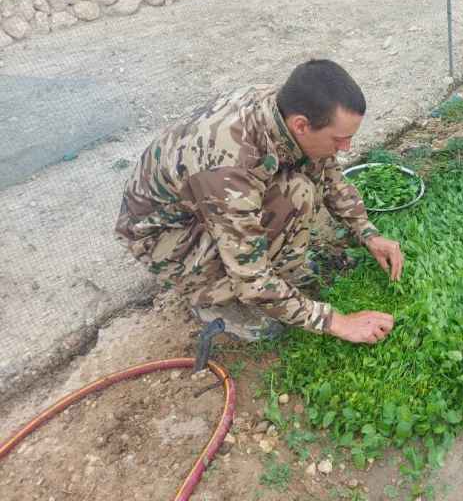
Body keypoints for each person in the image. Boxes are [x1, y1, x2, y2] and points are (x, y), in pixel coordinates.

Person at [116, 59, 404, 343]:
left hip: (206, 206)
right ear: (302, 125)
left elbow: (326, 171)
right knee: (295, 197)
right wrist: (336, 322)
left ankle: (281, 279)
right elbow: (250, 277)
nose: (346, 147)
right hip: (166, 240)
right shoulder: (230, 166)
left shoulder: (284, 109)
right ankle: (215, 299)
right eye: (340, 139)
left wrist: (367, 233)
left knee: (300, 186)